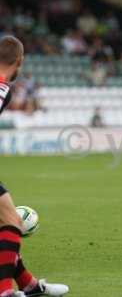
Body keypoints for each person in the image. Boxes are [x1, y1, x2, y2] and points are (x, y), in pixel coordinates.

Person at [0, 36, 69, 296]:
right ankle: (5, 290)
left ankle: (28, 284)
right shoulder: (3, 87)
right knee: (10, 221)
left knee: (8, 222)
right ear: (19, 61)